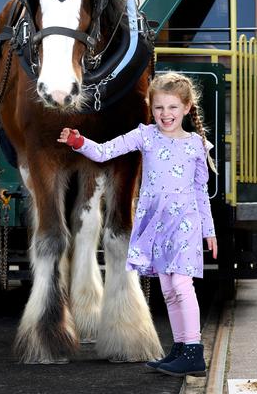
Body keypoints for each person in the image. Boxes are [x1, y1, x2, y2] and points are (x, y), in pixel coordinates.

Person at [57, 72, 217, 377]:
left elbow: (201, 192)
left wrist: (209, 231)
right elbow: (105, 152)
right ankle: (181, 347)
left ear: (186, 107)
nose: (165, 115)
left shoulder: (197, 145)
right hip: (156, 225)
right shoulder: (145, 135)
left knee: (182, 286)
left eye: (172, 108)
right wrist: (79, 142)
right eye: (158, 108)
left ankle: (194, 350)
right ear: (150, 107)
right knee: (168, 289)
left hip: (184, 225)